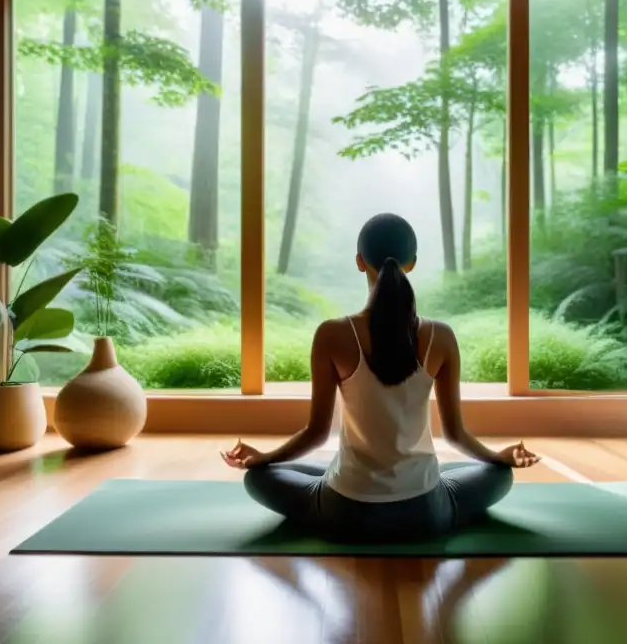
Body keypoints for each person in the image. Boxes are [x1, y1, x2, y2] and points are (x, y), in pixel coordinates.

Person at [221, 213, 539, 543]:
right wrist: (499, 457)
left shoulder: (332, 335)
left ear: (360, 262)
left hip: (345, 511)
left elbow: (316, 434)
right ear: (412, 264)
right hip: (426, 511)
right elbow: (456, 435)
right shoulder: (441, 337)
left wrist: (263, 458)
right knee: (498, 474)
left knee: (258, 478)